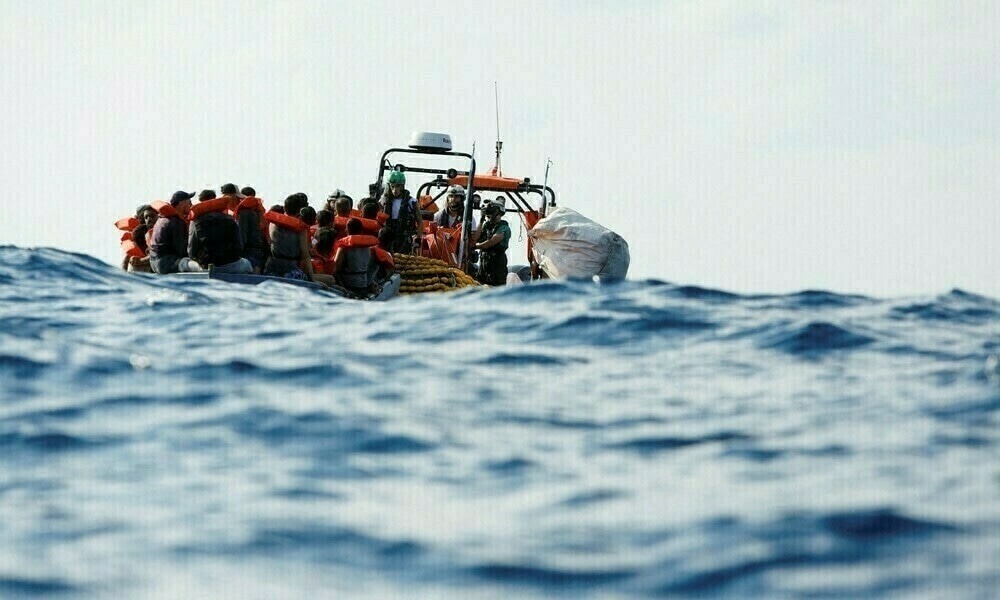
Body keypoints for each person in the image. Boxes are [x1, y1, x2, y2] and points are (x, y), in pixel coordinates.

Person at [263, 194, 335, 286]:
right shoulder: (301, 228)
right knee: (330, 280)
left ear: (285, 208)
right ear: (300, 211)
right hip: (291, 273)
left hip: (271, 270)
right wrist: (312, 280)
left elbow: (269, 243)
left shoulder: (273, 223)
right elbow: (305, 255)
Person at [187, 189, 252, 274]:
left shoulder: (195, 221)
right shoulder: (230, 220)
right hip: (230, 265)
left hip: (205, 266)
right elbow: (239, 246)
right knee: (247, 264)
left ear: (200, 201)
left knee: (184, 262)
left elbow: (191, 251)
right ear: (215, 199)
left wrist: (200, 260)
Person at [334, 218, 394, 298]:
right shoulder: (369, 248)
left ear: (346, 230)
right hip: (363, 286)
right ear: (361, 231)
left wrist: (342, 287)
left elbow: (335, 269)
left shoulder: (343, 248)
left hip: (348, 286)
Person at [149, 190, 201, 274]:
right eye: (189, 202)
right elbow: (180, 250)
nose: (191, 205)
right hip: (166, 263)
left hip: (154, 263)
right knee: (194, 265)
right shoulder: (176, 222)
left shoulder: (162, 219)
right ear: (182, 203)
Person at [378, 169, 421, 254]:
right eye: (392, 186)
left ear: (402, 186)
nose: (395, 189)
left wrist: (418, 237)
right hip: (388, 238)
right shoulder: (383, 201)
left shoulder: (411, 202)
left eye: (397, 186)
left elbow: (420, 221)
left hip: (405, 238)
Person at [474, 198, 512, 286]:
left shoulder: (504, 228)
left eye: (491, 211)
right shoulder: (486, 226)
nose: (489, 214)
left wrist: (475, 247)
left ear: (498, 211)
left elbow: (491, 242)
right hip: (484, 264)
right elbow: (476, 238)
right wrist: (481, 220)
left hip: (497, 265)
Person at [233, 186, 268, 273]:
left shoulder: (243, 212)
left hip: (248, 251)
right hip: (259, 249)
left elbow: (242, 235)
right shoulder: (259, 211)